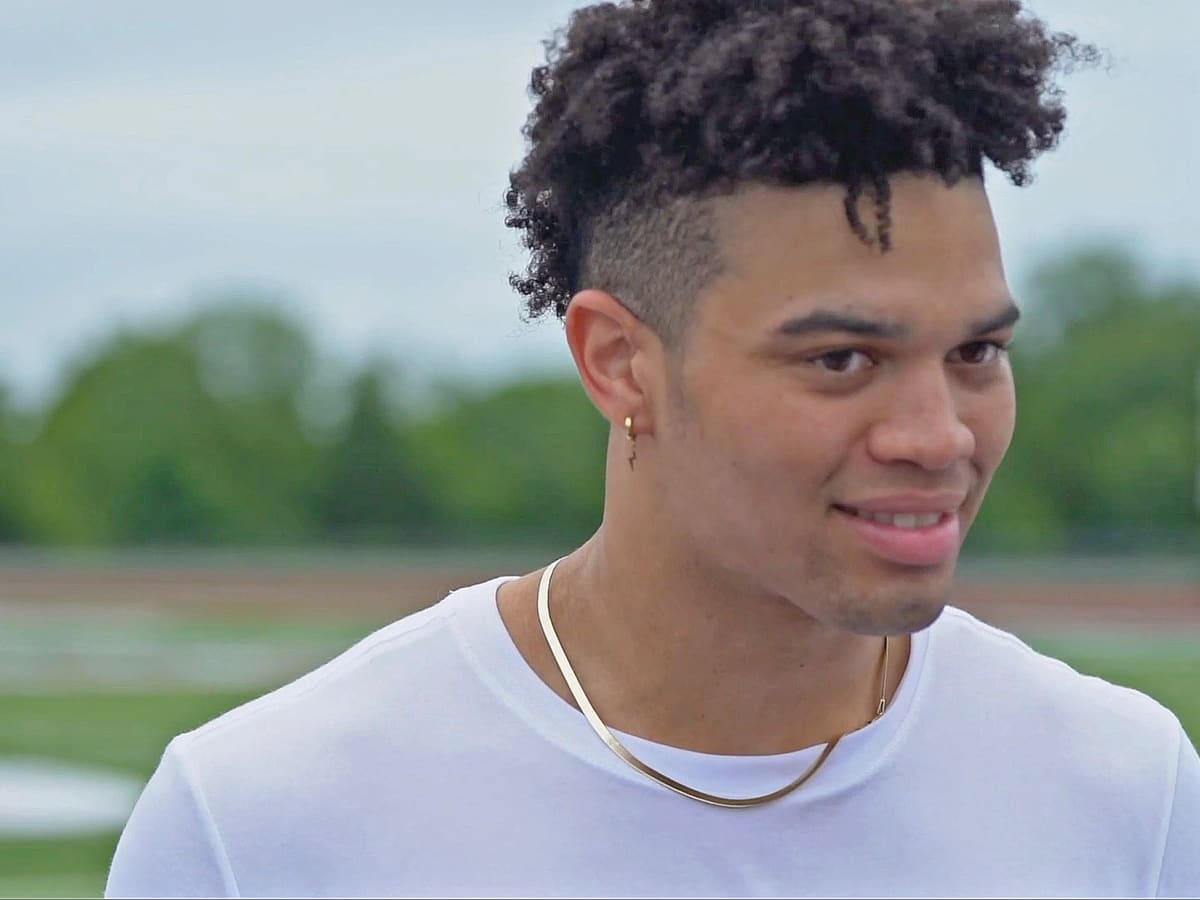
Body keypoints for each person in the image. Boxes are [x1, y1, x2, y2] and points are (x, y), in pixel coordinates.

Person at [106, 1, 1200, 896]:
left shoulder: (1124, 788)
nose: (939, 435)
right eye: (841, 361)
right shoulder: (263, 820)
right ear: (620, 361)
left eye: (976, 352)